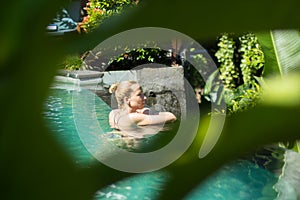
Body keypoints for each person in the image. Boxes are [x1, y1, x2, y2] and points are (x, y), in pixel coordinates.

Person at [108, 81, 177, 132]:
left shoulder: (114, 113)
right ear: (127, 99)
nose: (145, 98)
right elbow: (171, 117)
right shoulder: (133, 118)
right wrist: (147, 112)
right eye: (139, 95)